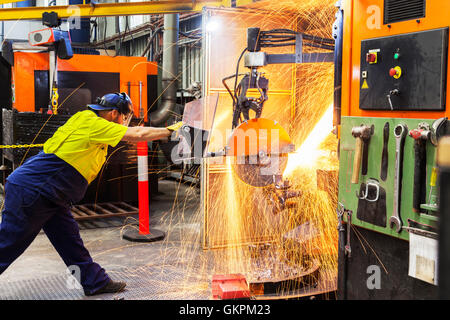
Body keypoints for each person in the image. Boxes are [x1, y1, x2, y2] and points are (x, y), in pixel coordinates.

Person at [0, 92, 183, 296]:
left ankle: (94, 282)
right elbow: (137, 134)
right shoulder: (95, 125)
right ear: (114, 113)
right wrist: (170, 131)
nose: (125, 122)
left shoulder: (84, 118)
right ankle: (94, 281)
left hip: (50, 194)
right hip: (36, 190)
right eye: (124, 117)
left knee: (69, 241)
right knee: (8, 244)